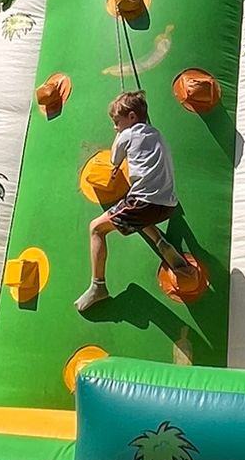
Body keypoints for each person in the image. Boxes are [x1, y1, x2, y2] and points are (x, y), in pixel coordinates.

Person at [76, 89, 190, 312]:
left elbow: (113, 159)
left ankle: (98, 286)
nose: (115, 127)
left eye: (117, 122)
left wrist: (120, 136)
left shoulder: (127, 134)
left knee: (96, 229)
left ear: (131, 117)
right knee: (133, 212)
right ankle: (161, 243)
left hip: (144, 203)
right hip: (168, 205)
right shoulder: (157, 133)